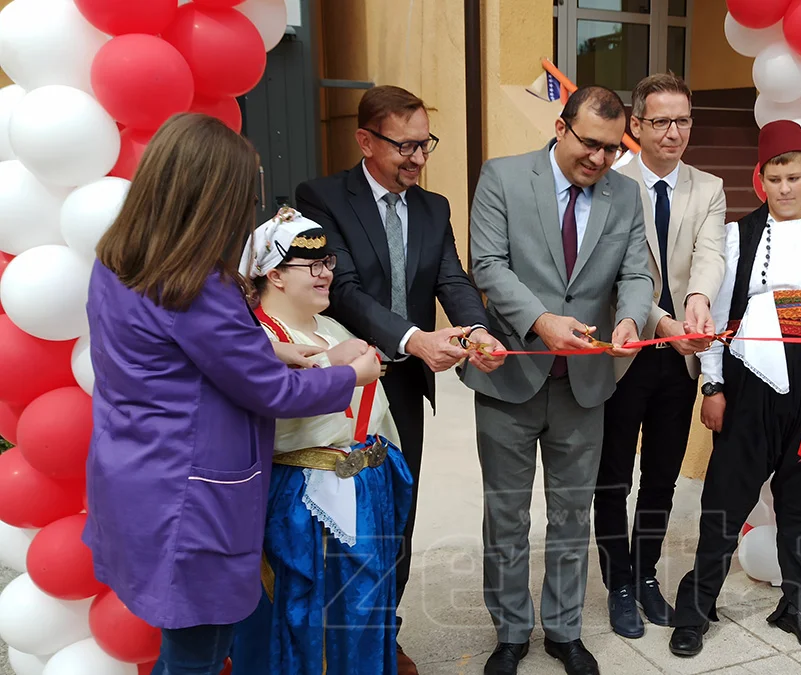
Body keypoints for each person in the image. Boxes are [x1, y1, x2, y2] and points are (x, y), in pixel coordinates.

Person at [83, 113, 381, 675]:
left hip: (132, 472)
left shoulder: (118, 262)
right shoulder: (195, 284)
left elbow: (172, 359)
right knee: (197, 648)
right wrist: (351, 376)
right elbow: (269, 392)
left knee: (197, 634)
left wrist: (271, 351)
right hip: (190, 495)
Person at [294, 85, 503, 673]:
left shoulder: (434, 208)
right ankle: (330, 637)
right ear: (365, 140)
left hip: (404, 387)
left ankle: (384, 631)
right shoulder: (323, 197)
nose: (417, 158)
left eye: (424, 145)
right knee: (335, 514)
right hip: (336, 386)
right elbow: (346, 289)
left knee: (394, 514)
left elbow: (452, 280)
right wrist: (414, 338)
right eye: (403, 146)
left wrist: (476, 330)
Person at [462, 85, 653, 675]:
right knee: (507, 514)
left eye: (611, 150)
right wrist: (541, 321)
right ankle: (511, 631)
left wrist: (629, 318)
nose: (598, 159)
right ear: (561, 126)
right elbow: (487, 264)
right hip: (510, 376)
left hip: (585, 384)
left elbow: (638, 272)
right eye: (589, 144)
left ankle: (564, 630)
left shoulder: (625, 194)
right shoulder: (503, 177)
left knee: (572, 513)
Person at [668, 120, 801, 657]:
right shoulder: (738, 236)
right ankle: (698, 605)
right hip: (749, 379)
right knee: (725, 495)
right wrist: (712, 384)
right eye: (774, 178)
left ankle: (795, 602)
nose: (784, 188)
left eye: (794, 177)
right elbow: (716, 318)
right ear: (761, 179)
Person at [228, 209, 415, 675]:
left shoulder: (333, 328)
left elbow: (377, 416)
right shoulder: (257, 337)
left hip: (367, 492)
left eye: (327, 261)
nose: (326, 272)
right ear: (274, 273)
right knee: (311, 617)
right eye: (310, 265)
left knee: (362, 614)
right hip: (304, 501)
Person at [593, 73, 726, 639]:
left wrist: (697, 300)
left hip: (680, 358)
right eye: (662, 121)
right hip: (625, 350)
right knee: (613, 477)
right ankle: (618, 583)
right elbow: (622, 273)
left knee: (662, 477)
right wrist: (666, 322)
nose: (674, 132)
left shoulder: (709, 187)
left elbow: (711, 253)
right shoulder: (611, 183)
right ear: (637, 126)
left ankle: (645, 575)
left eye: (684, 121)